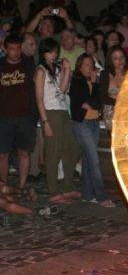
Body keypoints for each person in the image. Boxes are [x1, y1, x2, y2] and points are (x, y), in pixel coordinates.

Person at [34, 37, 79, 204]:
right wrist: (45, 122)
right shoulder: (40, 71)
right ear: (43, 53)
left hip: (62, 111)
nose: (53, 55)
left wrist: (66, 70)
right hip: (50, 113)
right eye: (50, 52)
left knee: (72, 147)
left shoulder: (56, 69)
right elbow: (39, 98)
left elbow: (62, 89)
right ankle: (53, 191)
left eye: (55, 52)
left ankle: (67, 187)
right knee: (53, 152)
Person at [69, 53, 114, 207]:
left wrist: (95, 86)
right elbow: (84, 102)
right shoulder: (76, 81)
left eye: (91, 65)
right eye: (86, 65)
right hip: (81, 124)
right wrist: (91, 100)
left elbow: (98, 102)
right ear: (80, 66)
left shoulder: (95, 82)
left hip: (93, 122)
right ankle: (102, 197)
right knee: (94, 160)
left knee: (88, 160)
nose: (90, 68)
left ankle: (87, 195)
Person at [0, 34, 38, 201]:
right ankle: (3, 186)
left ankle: (22, 187)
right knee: (3, 154)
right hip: (4, 118)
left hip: (25, 117)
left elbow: (35, 91)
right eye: (12, 49)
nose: (15, 52)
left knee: (24, 153)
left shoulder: (28, 65)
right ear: (5, 49)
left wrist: (34, 115)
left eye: (18, 48)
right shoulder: (0, 66)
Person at [99, 45, 128, 131]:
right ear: (111, 61)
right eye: (116, 58)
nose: (120, 60)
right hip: (111, 112)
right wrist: (118, 102)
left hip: (127, 110)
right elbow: (103, 97)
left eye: (122, 57)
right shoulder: (105, 74)